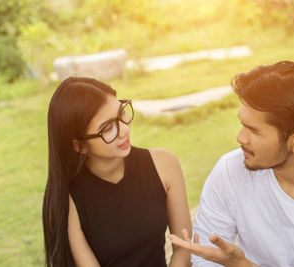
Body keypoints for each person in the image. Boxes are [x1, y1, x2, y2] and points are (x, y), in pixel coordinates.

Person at [169, 61, 294, 266]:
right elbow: (206, 259)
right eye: (242, 124)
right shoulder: (230, 170)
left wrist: (241, 265)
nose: (240, 138)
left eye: (254, 131)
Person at [43, 77, 192, 267]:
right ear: (80, 146)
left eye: (121, 113)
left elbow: (184, 248)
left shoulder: (164, 165)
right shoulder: (66, 199)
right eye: (107, 128)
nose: (123, 130)